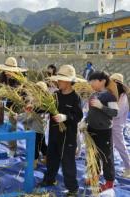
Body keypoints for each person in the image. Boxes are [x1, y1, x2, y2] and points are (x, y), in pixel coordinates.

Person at [40, 65, 84, 196]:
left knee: (67, 162)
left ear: (69, 81)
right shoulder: (55, 95)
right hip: (54, 133)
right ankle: (49, 179)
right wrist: (34, 108)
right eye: (57, 79)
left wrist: (65, 117)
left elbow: (78, 116)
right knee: (52, 157)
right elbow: (47, 108)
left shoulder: (75, 97)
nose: (58, 82)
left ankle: (72, 188)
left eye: (60, 80)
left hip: (68, 136)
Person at [83, 71, 118, 192]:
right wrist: (85, 121)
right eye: (90, 81)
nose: (91, 83)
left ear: (102, 81)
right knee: (93, 155)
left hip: (104, 132)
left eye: (93, 81)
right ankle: (95, 176)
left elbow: (115, 112)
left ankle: (109, 182)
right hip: (91, 129)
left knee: (106, 157)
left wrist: (101, 106)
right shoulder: (93, 95)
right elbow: (91, 112)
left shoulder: (110, 96)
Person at [0, 57, 27, 156]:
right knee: (11, 126)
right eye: (6, 70)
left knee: (28, 126)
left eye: (9, 71)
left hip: (23, 104)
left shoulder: (20, 78)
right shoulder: (2, 76)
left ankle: (33, 149)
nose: (7, 72)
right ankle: (13, 149)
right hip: (11, 106)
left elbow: (23, 94)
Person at [110, 73, 130, 178]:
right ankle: (108, 167)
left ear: (118, 85)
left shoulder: (123, 97)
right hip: (110, 125)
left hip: (117, 127)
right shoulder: (113, 95)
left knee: (121, 147)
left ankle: (129, 168)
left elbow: (117, 113)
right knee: (109, 147)